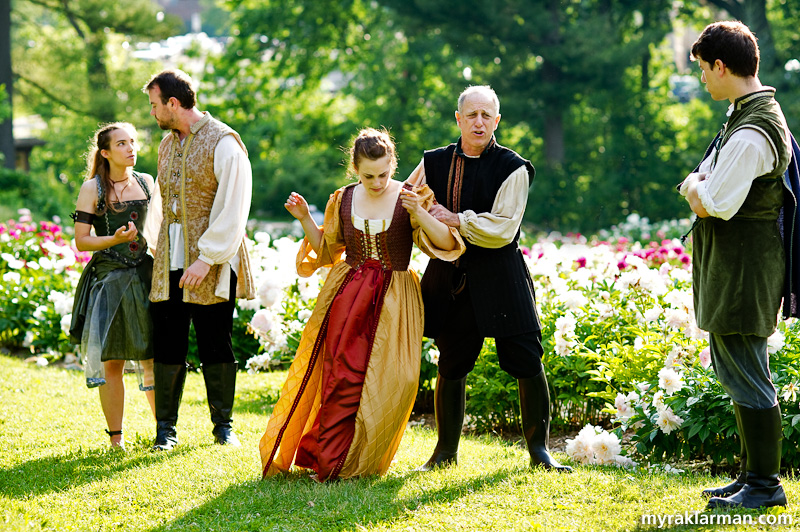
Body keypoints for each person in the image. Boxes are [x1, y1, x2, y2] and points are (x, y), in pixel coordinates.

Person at [259, 128, 465, 481]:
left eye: (384, 174)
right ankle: (333, 461)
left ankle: (364, 456)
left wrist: (422, 212)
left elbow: (447, 244)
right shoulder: (344, 198)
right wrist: (305, 218)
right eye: (368, 175)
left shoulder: (411, 197)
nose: (377, 182)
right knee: (342, 377)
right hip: (348, 297)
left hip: (394, 301)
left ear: (393, 165)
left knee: (397, 381)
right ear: (355, 168)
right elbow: (327, 251)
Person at [407, 85, 571, 472]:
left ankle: (539, 452)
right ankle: (444, 453)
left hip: (501, 273)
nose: (479, 122)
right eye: (472, 115)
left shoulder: (514, 167)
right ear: (458, 119)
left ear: (496, 121)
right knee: (451, 362)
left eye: (487, 115)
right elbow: (409, 201)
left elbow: (501, 229)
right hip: (451, 274)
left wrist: (456, 219)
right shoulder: (433, 161)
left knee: (527, 359)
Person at [679, 21, 791, 510]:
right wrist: (703, 183)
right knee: (740, 368)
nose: (703, 78)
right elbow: (716, 182)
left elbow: (716, 201)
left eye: (704, 69)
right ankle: (752, 477)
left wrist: (691, 186)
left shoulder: (752, 130)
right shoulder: (745, 114)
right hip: (738, 264)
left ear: (721, 66)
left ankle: (766, 487)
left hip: (746, 268)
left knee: (747, 371)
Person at [142, 69, 255, 450]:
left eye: (156, 106)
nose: (153, 113)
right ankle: (165, 431)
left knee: (215, 340)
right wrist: (155, 250)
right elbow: (161, 200)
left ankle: (224, 427)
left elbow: (234, 207)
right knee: (168, 340)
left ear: (174, 104)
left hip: (214, 261)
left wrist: (207, 258)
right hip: (170, 258)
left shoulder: (223, 142)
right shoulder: (166, 144)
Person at [69, 122, 156, 451]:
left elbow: (160, 229)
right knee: (113, 362)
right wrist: (114, 239)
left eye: (132, 141)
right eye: (122, 143)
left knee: (151, 357)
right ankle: (116, 438)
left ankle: (163, 433)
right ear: (105, 153)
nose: (131, 148)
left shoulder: (146, 182)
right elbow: (81, 241)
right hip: (108, 279)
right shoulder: (93, 188)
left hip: (145, 277)